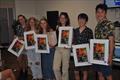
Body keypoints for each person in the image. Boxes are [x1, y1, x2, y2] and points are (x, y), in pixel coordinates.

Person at [93, 4, 115, 80]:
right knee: (100, 74)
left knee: (108, 75)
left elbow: (111, 41)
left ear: (105, 13)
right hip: (98, 55)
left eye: (101, 12)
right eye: (98, 12)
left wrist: (110, 55)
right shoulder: (97, 25)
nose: (99, 14)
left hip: (106, 55)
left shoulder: (109, 24)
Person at [73, 13, 93, 80]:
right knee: (76, 72)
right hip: (76, 54)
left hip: (85, 55)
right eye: (79, 19)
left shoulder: (89, 31)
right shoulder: (75, 30)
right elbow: (73, 41)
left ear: (86, 21)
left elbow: (91, 43)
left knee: (85, 72)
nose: (81, 20)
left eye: (83, 19)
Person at [53, 12, 71, 80]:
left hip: (66, 49)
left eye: (64, 18)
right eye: (61, 17)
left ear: (66, 19)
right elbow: (56, 39)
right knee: (55, 68)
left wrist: (69, 45)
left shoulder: (69, 28)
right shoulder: (57, 27)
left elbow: (71, 40)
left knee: (65, 69)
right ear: (59, 19)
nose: (62, 19)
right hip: (57, 49)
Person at [12, 14, 28, 80]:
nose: (21, 20)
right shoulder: (17, 27)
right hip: (19, 44)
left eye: (22, 19)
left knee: (25, 60)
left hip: (26, 45)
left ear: (24, 18)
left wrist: (19, 37)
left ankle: (25, 72)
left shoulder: (28, 26)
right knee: (19, 59)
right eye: (19, 19)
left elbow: (28, 37)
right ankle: (22, 70)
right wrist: (15, 37)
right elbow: (15, 35)